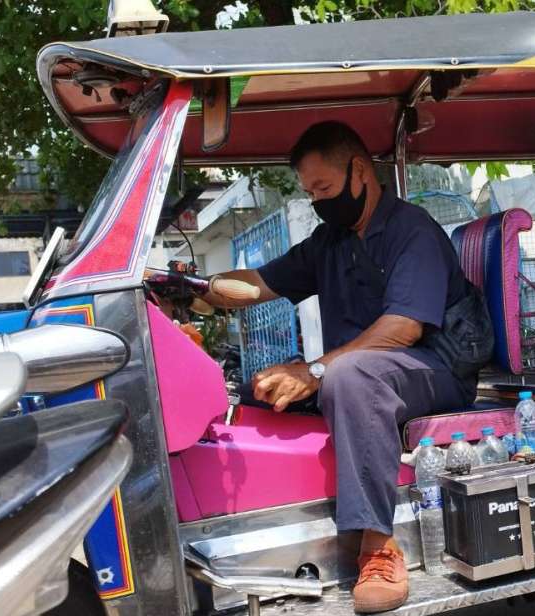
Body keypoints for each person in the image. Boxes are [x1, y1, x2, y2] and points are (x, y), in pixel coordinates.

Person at [204, 121, 480, 614]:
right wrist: (200, 289)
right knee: (259, 388)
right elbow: (259, 284)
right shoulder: (328, 240)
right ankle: (271, 523)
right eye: (310, 193)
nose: (318, 201)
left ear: (359, 170)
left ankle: (377, 546)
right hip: (362, 375)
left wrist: (314, 370)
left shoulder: (410, 230)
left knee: (348, 376)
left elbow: (403, 328)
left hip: (435, 370)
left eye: (324, 189)